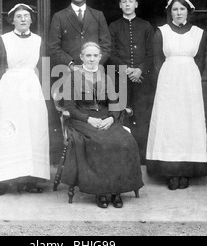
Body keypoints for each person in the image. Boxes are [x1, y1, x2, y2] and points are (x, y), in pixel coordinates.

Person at [60, 42, 144, 208]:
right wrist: (88, 119)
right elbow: (69, 107)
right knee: (99, 143)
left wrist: (111, 119)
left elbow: (114, 103)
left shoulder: (106, 77)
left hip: (105, 117)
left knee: (124, 141)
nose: (92, 59)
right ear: (81, 57)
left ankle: (117, 191)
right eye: (88, 56)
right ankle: (100, 192)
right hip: (83, 119)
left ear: (100, 57)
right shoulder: (72, 77)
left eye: (95, 56)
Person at [146, 0, 207, 190]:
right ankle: (171, 173)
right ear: (170, 12)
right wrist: (167, 82)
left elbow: (201, 61)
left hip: (189, 83)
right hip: (168, 83)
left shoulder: (199, 33)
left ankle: (187, 172)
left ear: (188, 12)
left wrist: (188, 77)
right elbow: (157, 61)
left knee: (188, 123)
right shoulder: (162, 32)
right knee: (170, 124)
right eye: (175, 9)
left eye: (182, 9)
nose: (179, 12)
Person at [0, 3, 50, 195]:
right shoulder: (4, 40)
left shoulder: (38, 41)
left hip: (31, 88)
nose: (23, 19)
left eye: (26, 16)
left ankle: (30, 180)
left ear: (31, 19)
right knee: (9, 132)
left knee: (32, 132)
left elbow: (43, 67)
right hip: (10, 89)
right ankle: (4, 181)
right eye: (19, 16)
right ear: (12, 20)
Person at [108, 0, 155, 161]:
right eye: (124, 2)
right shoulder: (113, 26)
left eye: (130, 1)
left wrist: (140, 70)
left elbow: (152, 54)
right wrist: (127, 69)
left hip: (142, 79)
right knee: (122, 115)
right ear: (120, 5)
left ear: (136, 4)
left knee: (142, 116)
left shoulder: (146, 26)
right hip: (121, 78)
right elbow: (110, 53)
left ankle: (142, 157)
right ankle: (124, 156)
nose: (127, 5)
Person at [48, 0, 111, 70]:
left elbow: (106, 45)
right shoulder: (59, 16)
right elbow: (53, 47)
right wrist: (69, 63)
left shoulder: (98, 15)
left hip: (94, 71)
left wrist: (94, 63)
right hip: (68, 72)